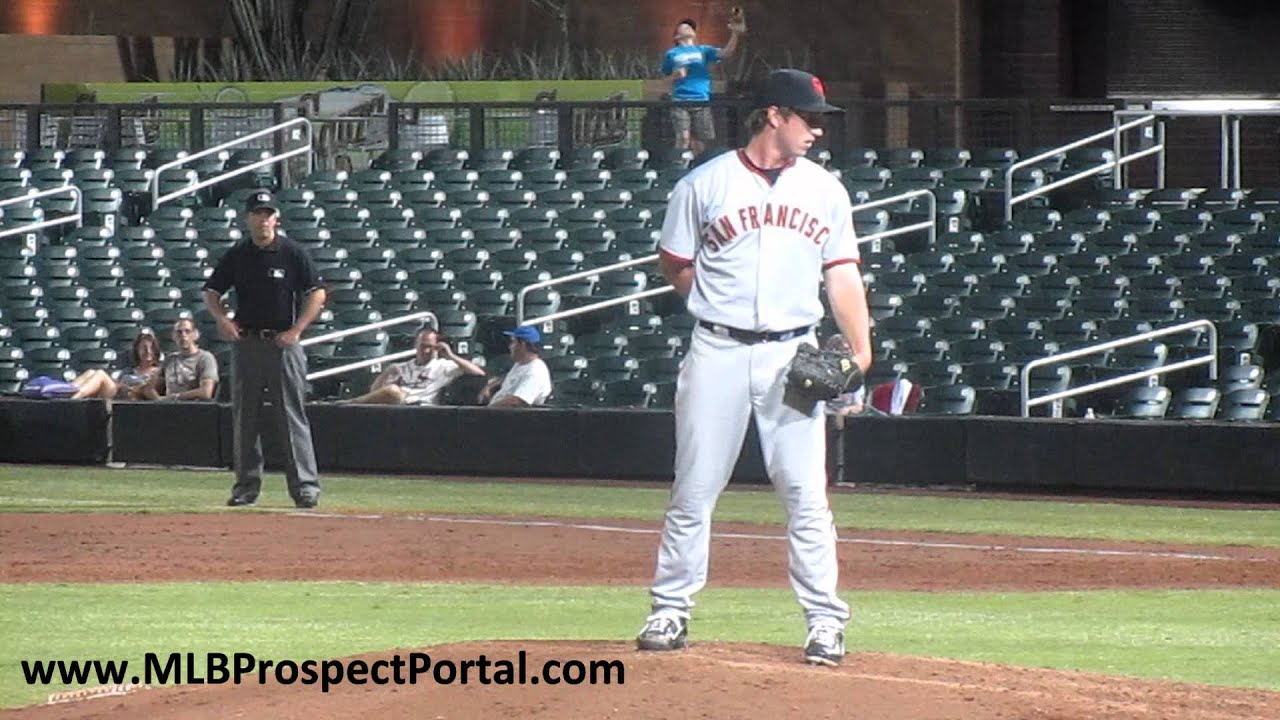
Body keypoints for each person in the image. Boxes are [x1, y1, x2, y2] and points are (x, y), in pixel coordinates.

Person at [635, 69, 873, 667]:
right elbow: (676, 264)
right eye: (808, 117)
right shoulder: (704, 184)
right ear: (773, 115)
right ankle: (670, 610)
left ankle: (824, 622)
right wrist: (714, 309)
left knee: (804, 493)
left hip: (792, 354)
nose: (818, 128)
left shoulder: (826, 191)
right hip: (717, 351)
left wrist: (861, 350)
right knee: (694, 487)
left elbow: (841, 273)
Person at [203, 190, 327, 509]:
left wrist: (297, 330)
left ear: (276, 218)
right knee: (246, 416)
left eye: (268, 213)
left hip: (282, 344)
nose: (263, 219)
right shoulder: (239, 253)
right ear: (248, 219)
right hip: (247, 343)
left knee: (291, 415)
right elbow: (212, 290)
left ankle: (305, 487)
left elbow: (317, 294)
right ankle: (246, 486)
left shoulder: (291, 252)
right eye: (257, 213)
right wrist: (223, 321)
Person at [661, 14, 745, 156]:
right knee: (683, 138)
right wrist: (675, 76)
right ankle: (678, 166)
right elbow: (664, 79)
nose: (689, 28)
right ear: (676, 36)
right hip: (680, 100)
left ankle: (697, 165)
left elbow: (726, 53)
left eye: (691, 27)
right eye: (685, 26)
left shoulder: (703, 50)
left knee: (701, 141)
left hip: (701, 100)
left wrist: (735, 33)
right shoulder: (672, 53)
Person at [346, 328, 485, 405]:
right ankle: (352, 404)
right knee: (392, 392)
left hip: (421, 408)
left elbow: (478, 373)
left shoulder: (444, 366)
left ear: (437, 346)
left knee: (393, 391)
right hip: (395, 408)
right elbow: (374, 392)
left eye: (430, 347)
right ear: (416, 345)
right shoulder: (400, 367)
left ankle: (351, 403)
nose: (426, 351)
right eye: (423, 346)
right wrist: (386, 373)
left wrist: (451, 355)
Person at [136, 318, 219, 401]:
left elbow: (206, 392)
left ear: (195, 335)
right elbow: (149, 388)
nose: (183, 335)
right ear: (174, 336)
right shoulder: (169, 359)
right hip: (169, 408)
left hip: (194, 407)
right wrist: (159, 400)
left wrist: (174, 397)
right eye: (179, 332)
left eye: (187, 331)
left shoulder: (205, 358)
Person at [70, 330, 162, 400]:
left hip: (128, 400)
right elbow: (118, 383)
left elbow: (148, 390)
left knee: (100, 374)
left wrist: (130, 388)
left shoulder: (158, 372)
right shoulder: (129, 370)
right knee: (90, 372)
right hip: (117, 395)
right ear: (137, 351)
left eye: (151, 348)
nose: (148, 352)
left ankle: (73, 400)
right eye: (143, 348)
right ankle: (65, 393)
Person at [478, 325, 553, 408]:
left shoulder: (536, 370)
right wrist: (490, 386)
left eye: (513, 342)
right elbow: (511, 377)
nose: (510, 347)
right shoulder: (520, 364)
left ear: (523, 344)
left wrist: (487, 410)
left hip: (515, 417)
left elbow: (517, 401)